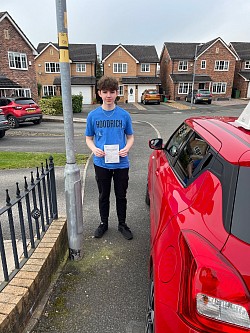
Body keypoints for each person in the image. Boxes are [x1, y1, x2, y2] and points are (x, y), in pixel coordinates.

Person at [85, 76, 134, 240]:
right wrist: (94, 149)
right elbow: (88, 138)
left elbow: (130, 137)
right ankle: (103, 223)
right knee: (103, 195)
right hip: (101, 163)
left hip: (121, 163)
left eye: (112, 92)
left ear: (116, 93)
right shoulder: (93, 116)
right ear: (99, 93)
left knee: (121, 195)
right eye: (105, 92)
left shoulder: (124, 115)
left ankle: (122, 224)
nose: (108, 95)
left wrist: (126, 148)